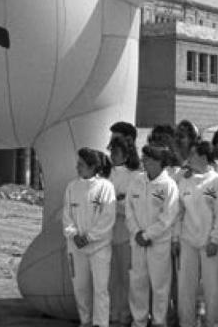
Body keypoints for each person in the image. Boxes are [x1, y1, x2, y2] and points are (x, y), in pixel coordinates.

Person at [174, 140, 218, 327]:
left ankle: (215, 323)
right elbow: (178, 212)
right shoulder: (184, 180)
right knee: (185, 287)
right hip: (188, 241)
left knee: (213, 289)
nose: (189, 158)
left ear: (204, 157)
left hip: (211, 243)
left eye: (193, 154)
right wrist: (176, 238)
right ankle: (186, 323)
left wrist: (215, 239)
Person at [125, 145, 179, 327]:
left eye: (148, 159)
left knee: (160, 286)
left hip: (158, 244)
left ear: (159, 162)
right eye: (144, 158)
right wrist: (137, 233)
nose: (143, 162)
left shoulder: (169, 185)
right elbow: (129, 209)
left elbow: (168, 217)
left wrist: (148, 235)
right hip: (137, 241)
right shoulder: (136, 181)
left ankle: (159, 322)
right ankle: (139, 321)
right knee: (137, 283)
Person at [62, 147, 116, 327]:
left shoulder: (105, 187)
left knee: (100, 289)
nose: (77, 167)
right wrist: (74, 234)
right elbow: (66, 216)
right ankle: (85, 321)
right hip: (76, 247)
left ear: (93, 167)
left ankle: (100, 324)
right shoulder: (72, 187)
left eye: (81, 165)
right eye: (78, 164)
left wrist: (89, 237)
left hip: (100, 247)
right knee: (80, 288)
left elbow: (107, 218)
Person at [107, 131, 140, 327]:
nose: (113, 156)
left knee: (128, 277)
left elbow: (130, 204)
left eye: (117, 152)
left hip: (127, 233)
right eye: (112, 152)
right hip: (108, 232)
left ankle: (128, 313)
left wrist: (116, 202)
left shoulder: (135, 176)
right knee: (112, 278)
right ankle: (114, 312)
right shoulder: (106, 173)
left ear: (127, 154)